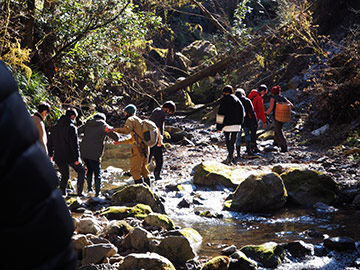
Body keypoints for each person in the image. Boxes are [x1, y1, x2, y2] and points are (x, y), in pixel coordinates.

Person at [0, 61, 76, 269]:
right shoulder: (35, 120)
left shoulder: (28, 116)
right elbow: (38, 144)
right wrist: (46, 158)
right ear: (45, 112)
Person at [108, 104, 151, 185]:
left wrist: (113, 129)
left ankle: (140, 191)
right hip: (145, 148)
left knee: (134, 171)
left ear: (128, 112)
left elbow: (126, 131)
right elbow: (132, 139)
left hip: (138, 150)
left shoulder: (130, 119)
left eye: (124, 112)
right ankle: (149, 190)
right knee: (144, 170)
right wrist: (120, 141)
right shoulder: (139, 120)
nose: (124, 114)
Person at [78, 112, 119, 196]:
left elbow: (76, 131)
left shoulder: (87, 124)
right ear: (103, 119)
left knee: (89, 169)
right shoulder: (104, 126)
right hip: (95, 153)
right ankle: (97, 192)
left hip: (84, 152)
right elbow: (116, 137)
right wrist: (111, 129)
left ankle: (89, 189)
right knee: (97, 172)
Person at [48, 108, 86, 196]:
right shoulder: (72, 128)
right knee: (81, 171)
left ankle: (62, 193)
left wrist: (51, 155)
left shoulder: (54, 128)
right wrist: (77, 158)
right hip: (70, 156)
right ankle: (80, 192)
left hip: (58, 156)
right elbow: (74, 145)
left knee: (65, 175)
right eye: (75, 117)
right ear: (72, 116)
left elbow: (50, 143)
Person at [216, 85, 245, 164]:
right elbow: (242, 112)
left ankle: (230, 156)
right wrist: (240, 122)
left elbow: (220, 114)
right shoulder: (237, 100)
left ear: (224, 92)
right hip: (236, 124)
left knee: (227, 140)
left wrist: (219, 127)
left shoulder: (224, 100)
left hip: (227, 124)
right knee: (233, 140)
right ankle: (231, 157)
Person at [149, 101, 176, 180]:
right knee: (159, 159)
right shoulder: (161, 114)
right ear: (167, 109)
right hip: (156, 139)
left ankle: (136, 172)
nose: (169, 113)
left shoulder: (156, 110)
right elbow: (158, 127)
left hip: (149, 138)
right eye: (170, 111)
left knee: (148, 157)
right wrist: (160, 141)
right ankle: (157, 175)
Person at [266, 85, 293, 152]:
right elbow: (291, 105)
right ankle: (275, 143)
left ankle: (284, 147)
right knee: (277, 128)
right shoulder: (283, 98)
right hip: (283, 116)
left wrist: (266, 113)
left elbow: (271, 108)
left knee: (279, 130)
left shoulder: (273, 98)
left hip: (277, 116)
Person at [235, 88, 257, 157]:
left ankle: (238, 153)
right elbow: (252, 112)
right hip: (246, 120)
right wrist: (255, 121)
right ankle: (249, 151)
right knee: (247, 135)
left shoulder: (234, 100)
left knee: (238, 137)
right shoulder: (247, 100)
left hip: (237, 121)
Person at [248, 84, 268, 152]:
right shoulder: (259, 98)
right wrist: (264, 121)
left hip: (248, 116)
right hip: (254, 117)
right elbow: (261, 110)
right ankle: (253, 148)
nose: (264, 94)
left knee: (249, 132)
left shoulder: (251, 95)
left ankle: (248, 147)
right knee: (253, 133)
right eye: (264, 92)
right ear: (262, 91)